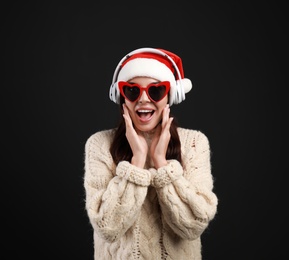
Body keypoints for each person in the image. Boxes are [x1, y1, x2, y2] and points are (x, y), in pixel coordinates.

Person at [83, 47, 218, 259]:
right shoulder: (100, 145)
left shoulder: (194, 143)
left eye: (155, 91)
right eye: (132, 91)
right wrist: (136, 163)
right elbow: (107, 227)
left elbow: (193, 225)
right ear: (121, 97)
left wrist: (161, 164)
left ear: (170, 96)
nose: (144, 99)